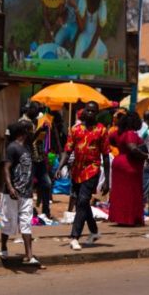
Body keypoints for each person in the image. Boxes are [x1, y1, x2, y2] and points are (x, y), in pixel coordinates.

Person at [55, 101, 110, 251]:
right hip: (77, 171)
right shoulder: (75, 130)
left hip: (92, 170)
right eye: (88, 110)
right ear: (84, 111)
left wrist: (107, 180)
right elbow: (68, 151)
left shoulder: (101, 130)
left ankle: (74, 237)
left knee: (82, 201)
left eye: (93, 111)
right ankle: (94, 231)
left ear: (97, 113)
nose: (90, 113)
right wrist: (60, 167)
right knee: (83, 203)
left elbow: (106, 156)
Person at [0, 121, 39, 264]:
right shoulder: (12, 147)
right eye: (31, 130)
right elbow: (6, 168)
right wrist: (10, 188)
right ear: (25, 132)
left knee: (26, 222)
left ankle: (29, 255)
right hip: (11, 193)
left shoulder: (27, 147)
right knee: (7, 221)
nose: (33, 133)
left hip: (26, 193)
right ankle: (3, 248)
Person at [108, 111, 146, 226]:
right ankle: (130, 219)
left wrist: (121, 147)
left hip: (119, 161)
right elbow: (132, 148)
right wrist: (145, 156)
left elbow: (110, 140)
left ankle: (120, 217)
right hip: (129, 164)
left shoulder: (118, 132)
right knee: (131, 192)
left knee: (120, 192)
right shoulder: (130, 133)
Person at [23, 101, 54, 219]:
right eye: (36, 111)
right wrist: (39, 130)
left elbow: (41, 140)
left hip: (39, 158)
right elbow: (28, 140)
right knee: (28, 186)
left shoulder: (37, 121)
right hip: (29, 159)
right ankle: (28, 211)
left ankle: (46, 211)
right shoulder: (23, 122)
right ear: (30, 109)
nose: (37, 113)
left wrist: (46, 129)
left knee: (47, 184)